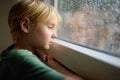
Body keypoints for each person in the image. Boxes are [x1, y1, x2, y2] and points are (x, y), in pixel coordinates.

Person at [0, 0, 83, 80]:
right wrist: (53, 64)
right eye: (50, 27)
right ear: (26, 26)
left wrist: (39, 52)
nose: (55, 35)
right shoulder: (22, 59)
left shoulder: (11, 52)